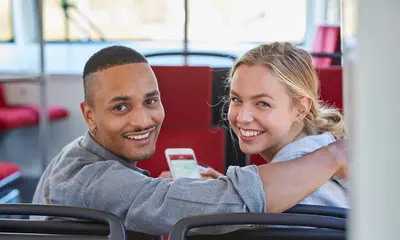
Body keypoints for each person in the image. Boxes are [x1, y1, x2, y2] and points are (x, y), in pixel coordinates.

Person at [32, 45, 348, 238]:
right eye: (121, 107)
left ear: (301, 107)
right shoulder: (90, 178)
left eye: (151, 101)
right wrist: (334, 154)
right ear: (89, 115)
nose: (143, 120)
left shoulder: (73, 156)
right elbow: (233, 203)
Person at [226, 42, 348, 207]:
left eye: (262, 104)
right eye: (236, 100)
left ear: (300, 109)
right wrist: (229, 192)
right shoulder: (322, 147)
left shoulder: (288, 196)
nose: (243, 117)